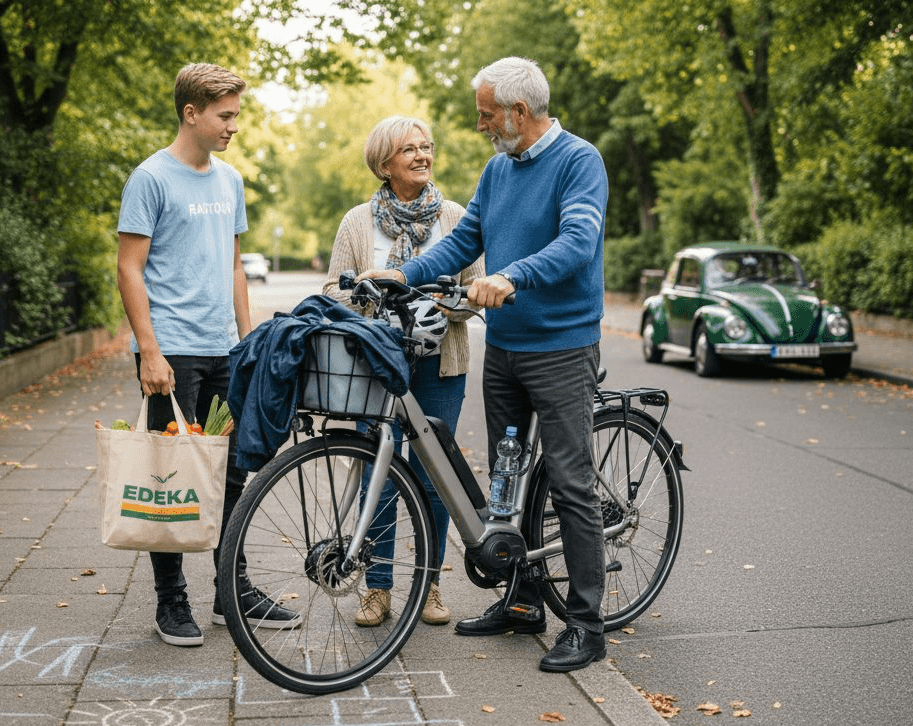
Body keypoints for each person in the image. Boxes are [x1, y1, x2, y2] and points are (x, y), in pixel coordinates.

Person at [357, 57, 609, 673]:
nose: (480, 125)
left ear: (519, 112)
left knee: (571, 483)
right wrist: (403, 274)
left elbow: (578, 242)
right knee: (506, 480)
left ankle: (586, 624)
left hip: (562, 347)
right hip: (507, 349)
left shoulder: (579, 161)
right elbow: (463, 240)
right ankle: (522, 602)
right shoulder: (498, 170)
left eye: (487, 114)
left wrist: (511, 275)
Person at [117, 62, 300, 647]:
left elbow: (234, 265)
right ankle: (170, 601)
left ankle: (229, 591)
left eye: (236, 115)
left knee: (231, 472)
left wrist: (248, 342)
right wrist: (149, 351)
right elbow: (129, 267)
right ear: (191, 113)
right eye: (225, 116)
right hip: (172, 354)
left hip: (225, 350)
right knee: (169, 478)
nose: (233, 126)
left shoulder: (230, 181)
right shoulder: (150, 178)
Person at [323, 116, 485, 628]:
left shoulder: (455, 216)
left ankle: (430, 584)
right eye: (409, 149)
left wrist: (441, 306)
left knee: (436, 477)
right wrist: (371, 302)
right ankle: (377, 588)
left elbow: (475, 288)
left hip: (441, 363)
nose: (422, 155)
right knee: (379, 471)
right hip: (377, 367)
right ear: (383, 163)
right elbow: (331, 293)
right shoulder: (357, 222)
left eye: (426, 146)